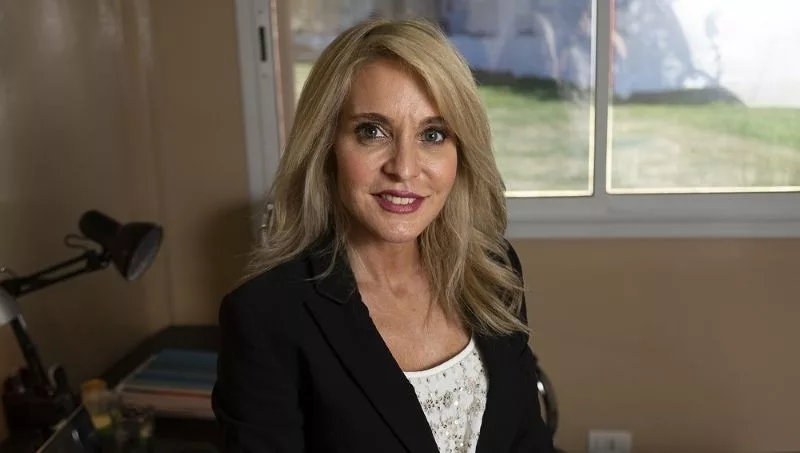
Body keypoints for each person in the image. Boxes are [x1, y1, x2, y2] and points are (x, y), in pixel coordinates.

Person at [212, 18, 555, 453]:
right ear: (327, 147)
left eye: (433, 134)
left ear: (461, 151)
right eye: (372, 131)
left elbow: (527, 438)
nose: (404, 168)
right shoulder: (266, 316)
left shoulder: (493, 271)